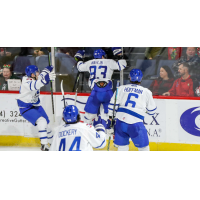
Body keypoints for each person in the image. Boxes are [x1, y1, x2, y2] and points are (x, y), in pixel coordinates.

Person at [74, 47, 127, 124]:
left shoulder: (90, 62)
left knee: (89, 117)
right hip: (107, 92)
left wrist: (79, 58)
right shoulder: (109, 61)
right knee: (110, 115)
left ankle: (87, 130)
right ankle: (108, 132)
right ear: (103, 56)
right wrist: (119, 55)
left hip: (95, 92)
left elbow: (80, 67)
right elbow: (121, 65)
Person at [108, 69, 157, 151]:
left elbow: (112, 107)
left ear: (130, 78)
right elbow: (152, 112)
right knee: (144, 148)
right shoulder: (146, 92)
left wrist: (110, 121)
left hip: (120, 123)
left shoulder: (120, 89)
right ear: (141, 78)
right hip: (136, 124)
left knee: (122, 147)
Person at [16, 65, 56, 151]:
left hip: (36, 105)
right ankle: (44, 145)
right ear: (32, 74)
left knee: (48, 126)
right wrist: (47, 79)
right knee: (42, 121)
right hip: (25, 108)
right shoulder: (26, 81)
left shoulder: (35, 76)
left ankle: (53, 144)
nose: (39, 73)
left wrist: (49, 68)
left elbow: (43, 74)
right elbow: (35, 85)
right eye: (37, 72)